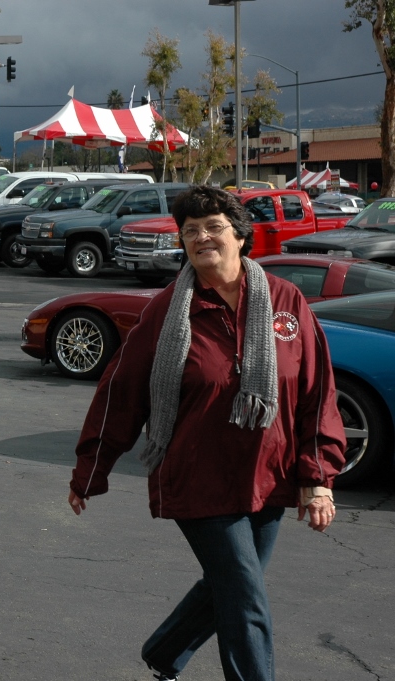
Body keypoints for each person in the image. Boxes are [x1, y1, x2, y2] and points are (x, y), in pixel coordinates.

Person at [67, 185, 346, 681]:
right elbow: (122, 390)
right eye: (190, 231)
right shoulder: (170, 309)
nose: (201, 238)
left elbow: (315, 390)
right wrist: (92, 467)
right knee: (245, 599)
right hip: (196, 475)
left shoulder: (285, 302)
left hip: (266, 474)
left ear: (240, 236)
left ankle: (165, 650)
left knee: (233, 585)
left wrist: (318, 474)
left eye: (213, 227)